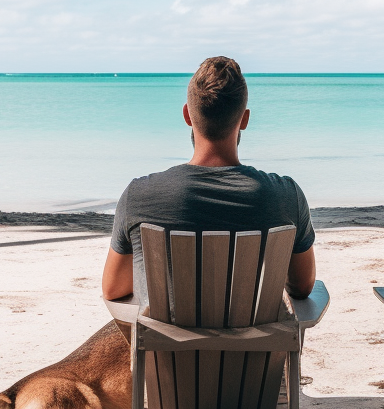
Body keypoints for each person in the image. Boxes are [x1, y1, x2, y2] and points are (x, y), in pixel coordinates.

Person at [102, 56, 316, 305]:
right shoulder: (286, 196)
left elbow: (113, 289)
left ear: (187, 115)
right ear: (244, 119)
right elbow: (302, 287)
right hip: (258, 344)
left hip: (165, 344)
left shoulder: (139, 195)